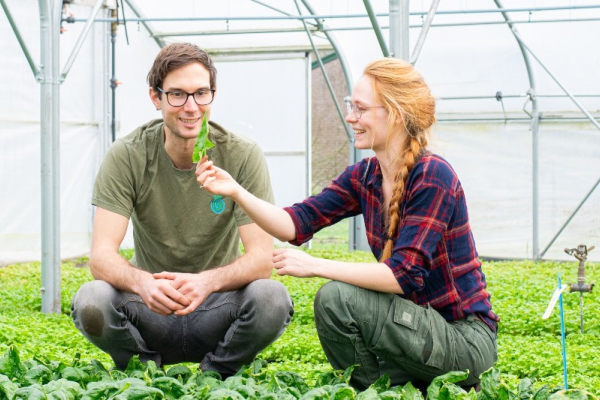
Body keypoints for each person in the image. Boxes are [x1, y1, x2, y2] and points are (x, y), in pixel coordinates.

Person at [196, 58, 499, 390]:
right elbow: (294, 224)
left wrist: (316, 265)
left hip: (464, 340)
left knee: (337, 298)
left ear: (395, 114)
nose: (351, 117)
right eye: (350, 107)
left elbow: (402, 275)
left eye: (361, 109)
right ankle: (383, 392)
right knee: (334, 303)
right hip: (415, 332)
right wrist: (236, 191)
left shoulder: (432, 175)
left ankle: (389, 390)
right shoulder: (365, 176)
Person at [71, 43, 294, 378]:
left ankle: (216, 373)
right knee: (92, 298)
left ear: (212, 94)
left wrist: (207, 282)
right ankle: (146, 372)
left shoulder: (242, 155)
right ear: (155, 97)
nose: (191, 107)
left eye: (201, 93)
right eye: (177, 94)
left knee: (272, 297)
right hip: (150, 310)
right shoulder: (127, 155)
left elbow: (262, 259)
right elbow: (101, 256)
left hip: (219, 307)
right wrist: (143, 283)